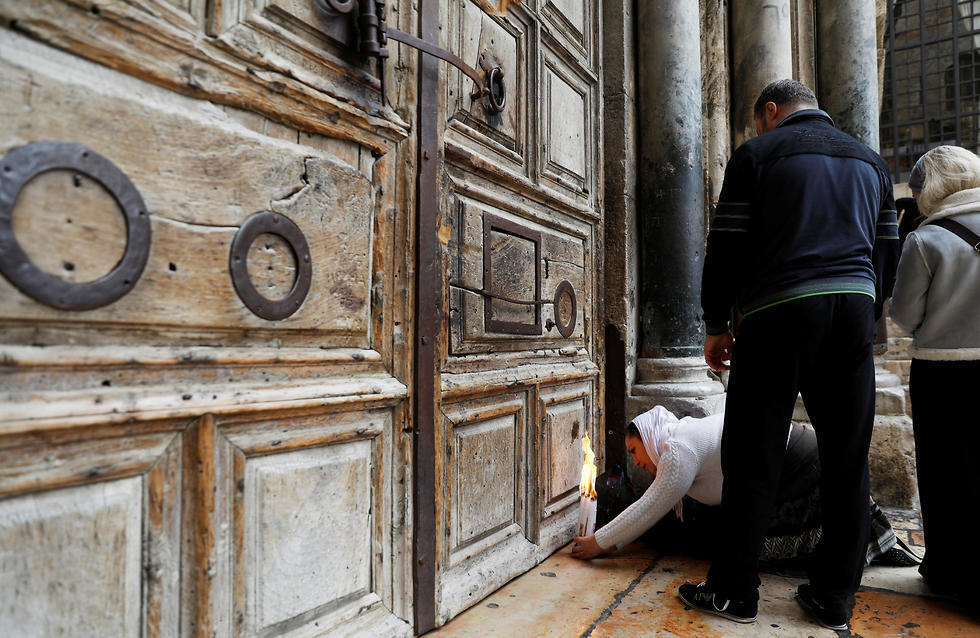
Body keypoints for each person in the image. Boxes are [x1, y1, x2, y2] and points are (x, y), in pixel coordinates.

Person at [679, 79, 900, 631]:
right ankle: (834, 598)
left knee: (753, 454)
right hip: (852, 310)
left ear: (771, 112)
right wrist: (863, 306)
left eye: (760, 119)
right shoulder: (871, 162)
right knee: (847, 460)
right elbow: (887, 252)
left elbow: (725, 245)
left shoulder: (757, 153)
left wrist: (714, 323)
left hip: (776, 312)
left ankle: (735, 591)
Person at [569, 406, 914, 568]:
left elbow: (650, 506)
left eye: (633, 450)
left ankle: (872, 545)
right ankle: (871, 545)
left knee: (758, 546)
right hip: (788, 461)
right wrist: (617, 539)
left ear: (649, 437)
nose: (635, 461)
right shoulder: (681, 438)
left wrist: (598, 543)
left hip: (800, 462)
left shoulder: (678, 448)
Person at [889, 145, 980, 608]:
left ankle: (950, 569)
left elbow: (904, 316)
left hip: (944, 373)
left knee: (947, 473)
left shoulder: (926, 239)